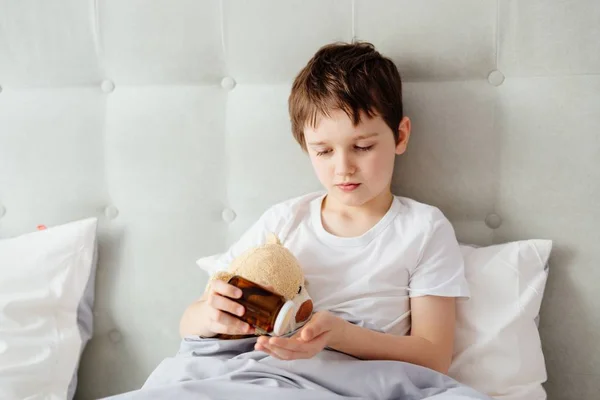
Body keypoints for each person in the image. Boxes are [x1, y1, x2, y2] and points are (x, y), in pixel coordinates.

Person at [179, 41, 470, 375]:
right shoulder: (284, 221)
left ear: (400, 136)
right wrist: (208, 315)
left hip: (361, 382)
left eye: (362, 146)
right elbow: (191, 320)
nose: (343, 167)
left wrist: (343, 336)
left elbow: (434, 357)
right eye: (323, 151)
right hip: (265, 373)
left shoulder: (424, 229)